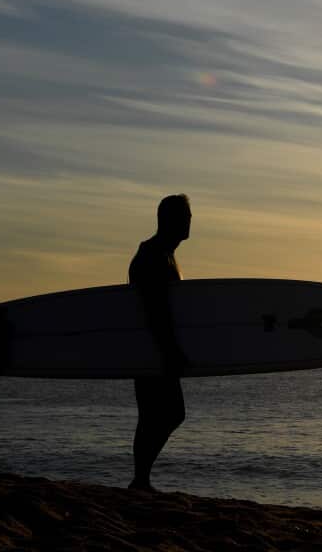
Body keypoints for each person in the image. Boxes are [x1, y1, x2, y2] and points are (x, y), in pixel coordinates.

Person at [127, 193, 192, 492]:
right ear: (169, 220)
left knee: (157, 415)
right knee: (164, 413)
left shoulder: (165, 254)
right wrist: (170, 349)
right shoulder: (152, 255)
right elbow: (154, 310)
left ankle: (141, 479)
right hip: (152, 349)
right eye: (185, 216)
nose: (190, 221)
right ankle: (141, 479)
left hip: (154, 348)